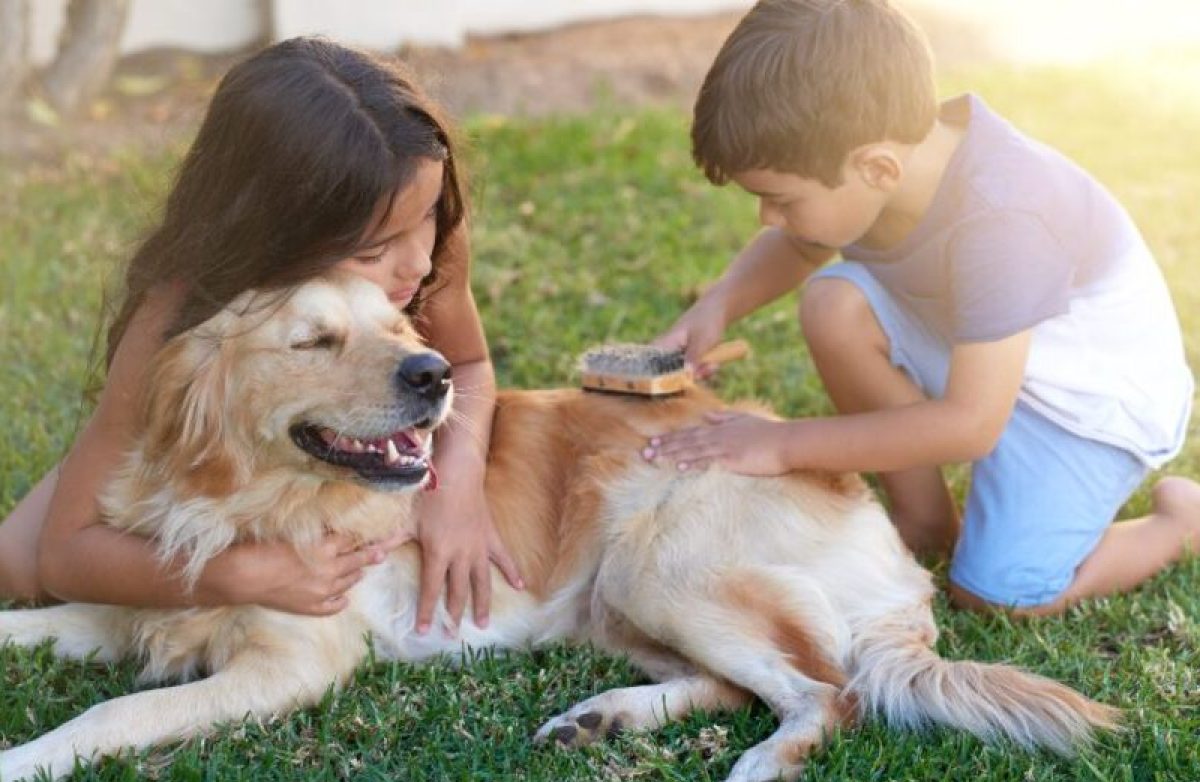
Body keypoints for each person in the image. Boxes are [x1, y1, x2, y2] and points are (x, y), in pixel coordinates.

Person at [644, 0, 1200, 616]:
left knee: (999, 593)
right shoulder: (880, 169)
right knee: (834, 302)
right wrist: (715, 308)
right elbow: (800, 244)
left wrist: (782, 444)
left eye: (781, 199)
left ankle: (1177, 524)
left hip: (1085, 412)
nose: (767, 218)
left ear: (877, 167)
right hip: (988, 360)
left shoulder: (1006, 215)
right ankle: (926, 522)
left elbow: (972, 423)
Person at [0, 37, 522, 633]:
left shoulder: (426, 246)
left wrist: (455, 492)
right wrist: (241, 574)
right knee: (16, 566)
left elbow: (471, 363)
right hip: (219, 409)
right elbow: (64, 557)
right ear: (282, 238)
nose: (418, 264)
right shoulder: (181, 303)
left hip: (362, 396)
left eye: (428, 214)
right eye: (375, 249)